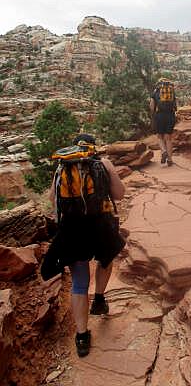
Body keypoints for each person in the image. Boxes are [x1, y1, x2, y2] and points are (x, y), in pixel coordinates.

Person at [44, 133, 125, 358]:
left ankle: (81, 336)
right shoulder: (103, 163)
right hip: (100, 225)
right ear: (93, 148)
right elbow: (119, 194)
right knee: (105, 260)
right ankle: (99, 299)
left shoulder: (62, 167)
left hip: (72, 230)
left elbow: (52, 199)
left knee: (79, 283)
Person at [150, 78, 177, 166]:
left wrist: (153, 115)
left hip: (160, 116)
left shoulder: (156, 92)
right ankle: (169, 159)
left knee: (159, 136)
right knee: (168, 138)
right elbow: (175, 106)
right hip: (170, 115)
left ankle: (164, 151)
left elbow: (151, 106)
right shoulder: (172, 92)